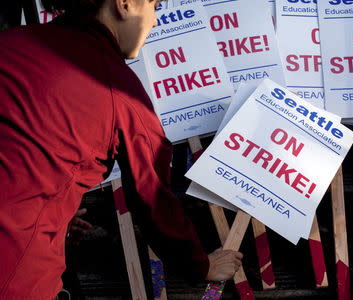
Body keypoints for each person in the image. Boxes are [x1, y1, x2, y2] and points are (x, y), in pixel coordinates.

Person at [0, 0, 243, 299]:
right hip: (14, 270)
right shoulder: (119, 92)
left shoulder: (11, 42)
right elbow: (153, 201)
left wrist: (52, 207)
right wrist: (201, 266)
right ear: (124, 4)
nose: (155, 21)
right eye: (154, 5)